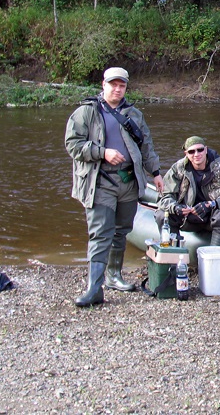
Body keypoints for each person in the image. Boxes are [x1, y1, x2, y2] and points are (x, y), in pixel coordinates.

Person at [65, 67, 164, 308]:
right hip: (100, 182)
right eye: (113, 84)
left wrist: (157, 173)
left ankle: (114, 276)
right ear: (103, 84)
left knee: (122, 230)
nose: (117, 89)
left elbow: (146, 146)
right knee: (100, 234)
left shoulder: (134, 114)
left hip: (129, 182)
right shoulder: (86, 112)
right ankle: (94, 288)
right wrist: (103, 152)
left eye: (122, 85)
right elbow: (73, 145)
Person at [157, 136, 220, 247]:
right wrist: (176, 208)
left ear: (206, 149)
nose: (196, 154)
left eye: (200, 150)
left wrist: (212, 204)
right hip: (188, 217)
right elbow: (163, 197)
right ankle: (174, 253)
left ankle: (214, 255)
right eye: (191, 151)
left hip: (213, 217)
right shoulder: (178, 169)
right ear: (186, 154)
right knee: (161, 215)